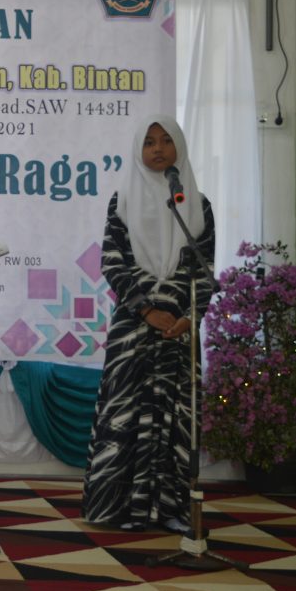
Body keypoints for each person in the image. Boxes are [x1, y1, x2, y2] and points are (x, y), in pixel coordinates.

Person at [81, 114, 215, 534]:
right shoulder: (122, 201)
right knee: (125, 415)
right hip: (133, 327)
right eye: (150, 142)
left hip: (179, 329)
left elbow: (204, 268)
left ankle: (172, 509)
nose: (158, 149)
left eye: (166, 140)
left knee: (175, 419)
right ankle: (117, 508)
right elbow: (112, 262)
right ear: (138, 150)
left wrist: (189, 316)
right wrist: (146, 309)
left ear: (179, 147)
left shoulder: (198, 205)